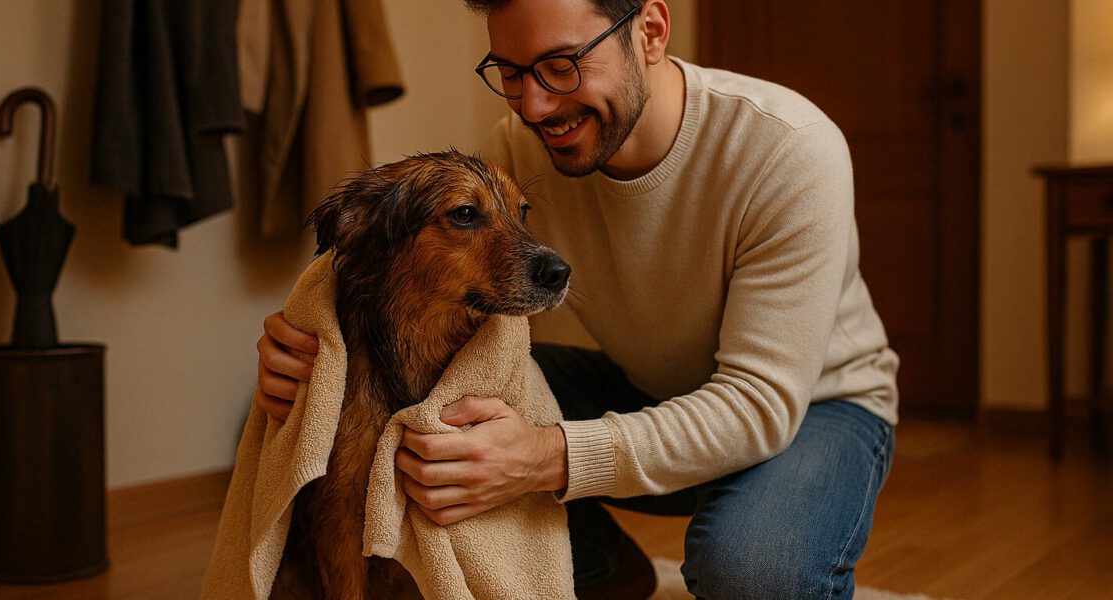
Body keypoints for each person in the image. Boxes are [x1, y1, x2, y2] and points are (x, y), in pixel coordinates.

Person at [253, 0, 899, 598]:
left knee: (754, 571)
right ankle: (601, 572)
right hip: (642, 385)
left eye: (561, 66)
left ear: (650, 32)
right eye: (510, 72)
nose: (534, 105)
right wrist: (311, 349)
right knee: (439, 427)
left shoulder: (787, 147)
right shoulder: (519, 148)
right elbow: (404, 273)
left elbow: (759, 406)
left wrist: (541, 457)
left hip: (812, 411)